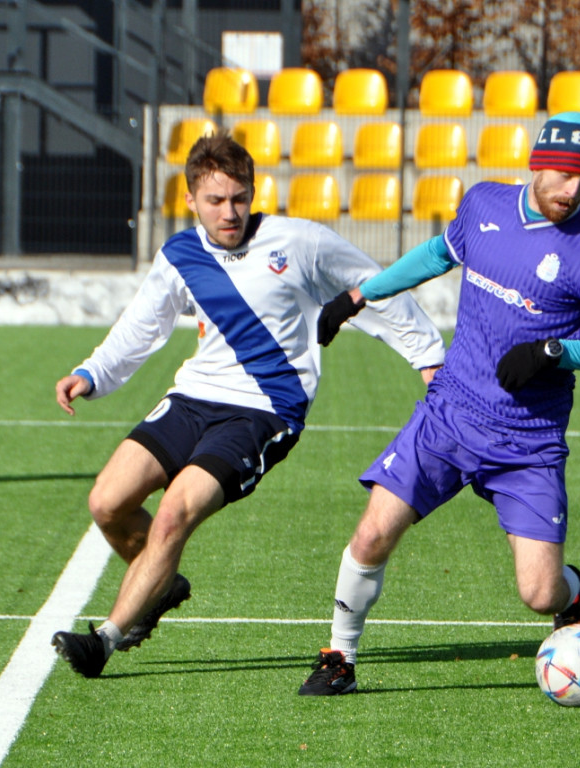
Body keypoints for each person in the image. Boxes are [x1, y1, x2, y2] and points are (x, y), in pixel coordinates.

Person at [49, 132, 446, 678]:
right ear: (190, 201)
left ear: (253, 193)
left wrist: (426, 355)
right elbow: (142, 327)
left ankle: (107, 639)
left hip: (265, 409)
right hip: (193, 396)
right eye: (216, 201)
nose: (230, 211)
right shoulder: (181, 255)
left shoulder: (298, 242)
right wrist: (91, 373)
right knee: (106, 502)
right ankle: (159, 586)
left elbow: (373, 285)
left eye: (240, 197)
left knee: (173, 515)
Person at [299, 111, 580, 696]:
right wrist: (360, 294)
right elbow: (437, 254)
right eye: (564, 174)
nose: (572, 191)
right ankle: (340, 655)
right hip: (450, 413)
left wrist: (556, 352)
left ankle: (574, 593)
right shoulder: (484, 204)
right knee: (373, 533)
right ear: (538, 162)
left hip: (528, 440)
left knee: (540, 593)